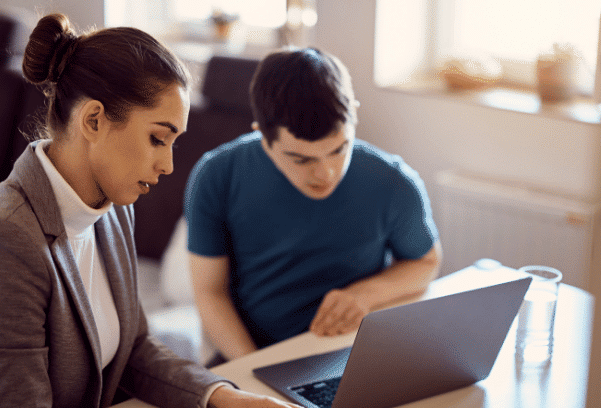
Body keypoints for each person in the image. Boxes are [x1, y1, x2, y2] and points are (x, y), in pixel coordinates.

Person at [0, 13, 326, 408]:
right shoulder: (0, 244)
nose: (169, 165)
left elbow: (132, 348)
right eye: (158, 138)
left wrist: (220, 395)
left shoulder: (109, 214)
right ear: (93, 121)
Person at [185, 47, 442, 362]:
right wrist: (254, 369)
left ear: (355, 116)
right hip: (251, 354)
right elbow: (210, 292)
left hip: (353, 353)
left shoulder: (393, 181)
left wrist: (365, 294)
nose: (326, 174)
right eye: (301, 159)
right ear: (262, 137)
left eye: (338, 150)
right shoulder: (216, 175)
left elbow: (426, 263)